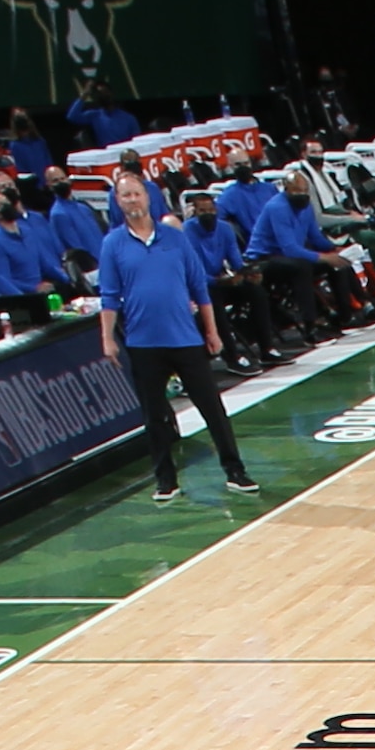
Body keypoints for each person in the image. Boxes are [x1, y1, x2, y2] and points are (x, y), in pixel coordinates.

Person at [93, 169, 254, 504]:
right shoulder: (112, 244)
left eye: (136, 193)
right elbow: (109, 296)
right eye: (125, 195)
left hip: (185, 338)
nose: (132, 200)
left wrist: (211, 331)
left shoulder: (175, 238)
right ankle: (165, 480)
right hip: (142, 343)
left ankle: (235, 471)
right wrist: (107, 339)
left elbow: (200, 287)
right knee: (154, 417)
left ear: (147, 197)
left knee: (212, 408)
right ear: (118, 202)